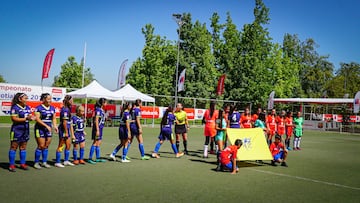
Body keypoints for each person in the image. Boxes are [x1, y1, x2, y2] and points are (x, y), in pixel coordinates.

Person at [8, 93, 35, 172]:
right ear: (20, 99)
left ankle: (22, 164)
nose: (27, 100)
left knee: (23, 147)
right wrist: (26, 118)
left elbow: (30, 116)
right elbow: (14, 119)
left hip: (25, 130)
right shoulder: (15, 107)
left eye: (27, 98)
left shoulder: (27, 107)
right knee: (14, 147)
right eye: (25, 98)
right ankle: (11, 165)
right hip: (17, 130)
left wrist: (32, 117)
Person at [34, 93, 58, 169]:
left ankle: (44, 162)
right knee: (41, 146)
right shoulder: (38, 108)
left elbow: (54, 118)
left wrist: (55, 126)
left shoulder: (52, 108)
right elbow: (37, 119)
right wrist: (46, 126)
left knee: (46, 146)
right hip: (40, 128)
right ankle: (36, 163)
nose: (50, 101)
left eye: (50, 99)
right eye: (48, 99)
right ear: (44, 99)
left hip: (48, 129)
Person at [55, 95, 75, 168]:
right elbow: (64, 122)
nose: (72, 101)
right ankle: (57, 162)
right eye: (71, 100)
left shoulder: (68, 109)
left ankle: (66, 161)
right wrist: (66, 132)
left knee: (68, 145)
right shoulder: (65, 109)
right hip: (63, 130)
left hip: (67, 129)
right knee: (61, 145)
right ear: (68, 101)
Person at [88, 98, 107, 164]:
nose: (106, 104)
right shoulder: (98, 110)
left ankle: (98, 158)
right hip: (97, 128)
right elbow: (96, 120)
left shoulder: (101, 110)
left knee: (98, 143)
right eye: (105, 102)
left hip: (100, 128)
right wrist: (97, 130)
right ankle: (90, 158)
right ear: (102, 103)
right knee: (95, 142)